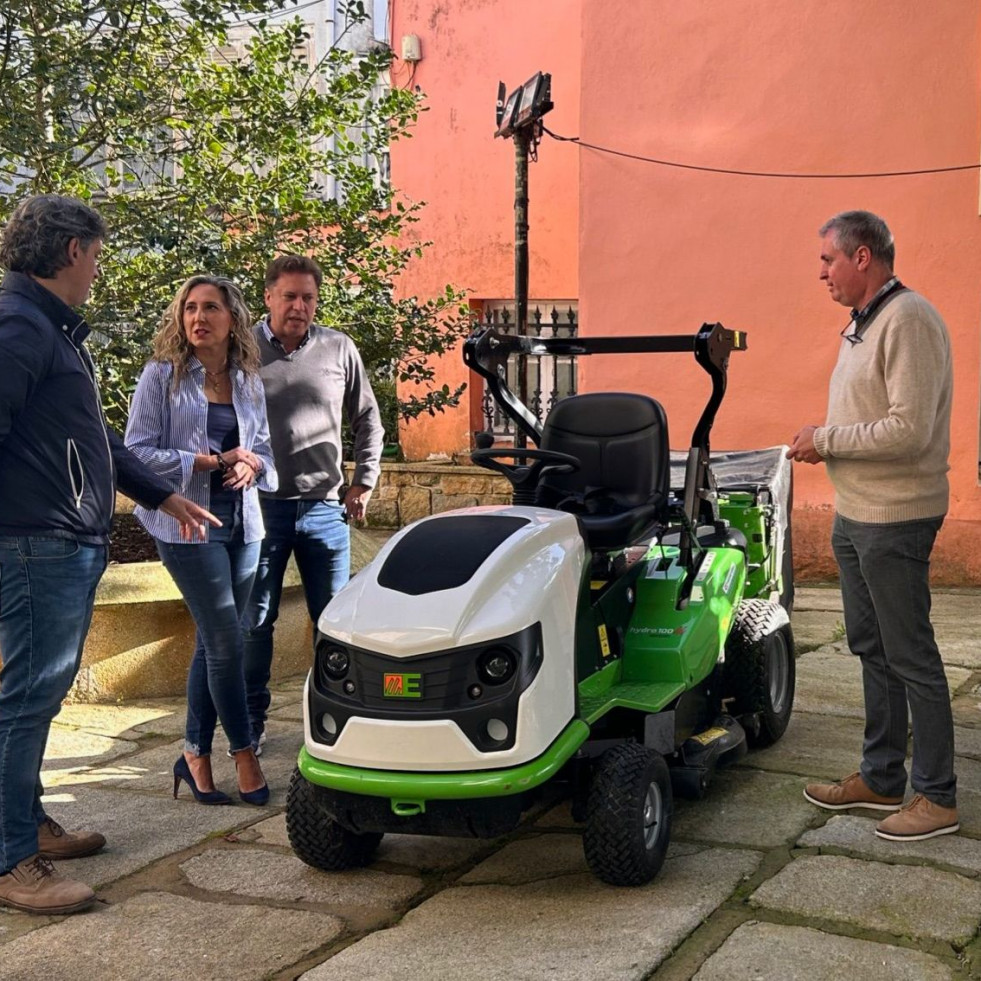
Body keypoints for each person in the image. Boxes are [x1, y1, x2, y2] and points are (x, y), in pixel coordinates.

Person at [0, 195, 218, 916]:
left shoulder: (52, 330)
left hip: (61, 539)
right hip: (36, 540)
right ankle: (9, 857)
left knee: (37, 695)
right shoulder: (20, 326)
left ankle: (26, 821)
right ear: (71, 252)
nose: (97, 267)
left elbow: (98, 441)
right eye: (95, 254)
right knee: (27, 699)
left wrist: (163, 494)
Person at [789, 210, 957, 842]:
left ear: (864, 258)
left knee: (910, 654)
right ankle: (882, 775)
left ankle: (937, 797)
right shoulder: (865, 322)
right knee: (871, 648)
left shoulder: (909, 319)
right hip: (855, 513)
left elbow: (908, 429)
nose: (821, 273)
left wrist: (825, 440)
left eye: (829, 260)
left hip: (895, 517)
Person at [125, 275, 277, 808]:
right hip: (186, 525)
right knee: (227, 641)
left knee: (213, 641)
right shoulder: (161, 378)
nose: (198, 317)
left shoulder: (249, 381)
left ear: (232, 318)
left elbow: (266, 458)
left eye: (210, 307)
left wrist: (253, 463)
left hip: (244, 525)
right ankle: (243, 752)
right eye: (189, 307)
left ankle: (193, 754)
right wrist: (207, 462)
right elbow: (135, 454)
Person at [242, 254, 383, 752]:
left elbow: (368, 417)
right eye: (289, 296)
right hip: (260, 509)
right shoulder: (243, 349)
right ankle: (251, 726)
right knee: (256, 621)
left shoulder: (338, 348)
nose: (299, 306)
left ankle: (336, 718)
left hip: (325, 510)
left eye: (307, 297)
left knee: (335, 623)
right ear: (268, 298)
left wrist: (363, 480)